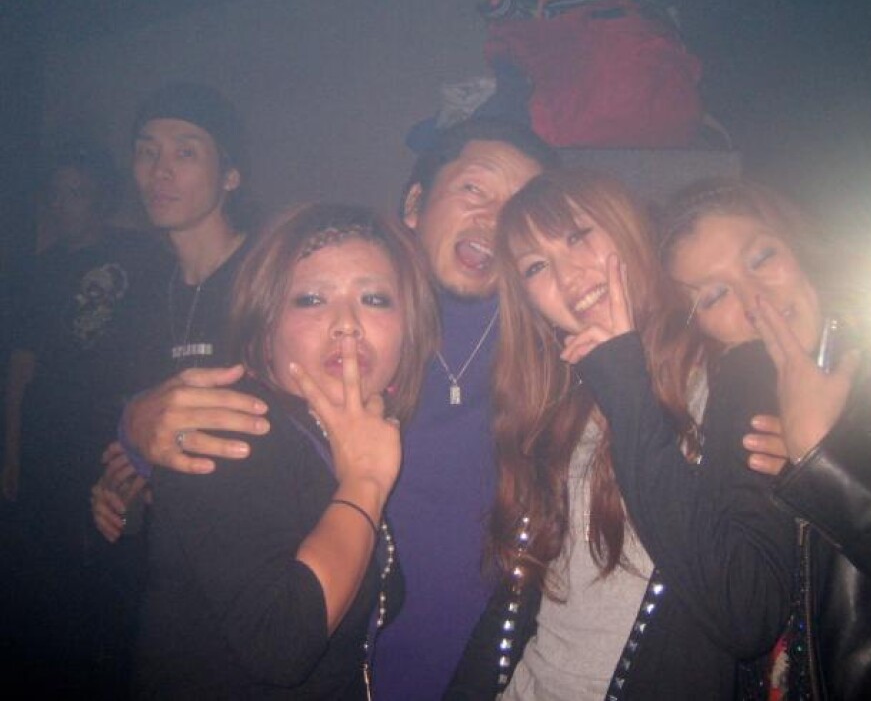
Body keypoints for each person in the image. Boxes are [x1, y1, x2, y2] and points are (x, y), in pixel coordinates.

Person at [93, 118, 558, 699]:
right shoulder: (329, 316)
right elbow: (237, 399)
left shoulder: (548, 352)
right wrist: (139, 429)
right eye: (474, 188)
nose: (495, 218)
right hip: (319, 655)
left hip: (454, 669)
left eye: (521, 206)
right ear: (415, 202)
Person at [446, 168, 797, 700]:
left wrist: (626, 383)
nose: (567, 275)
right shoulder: (558, 400)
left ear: (627, 227)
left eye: (578, 236)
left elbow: (747, 614)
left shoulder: (730, 372)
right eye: (536, 266)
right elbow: (523, 596)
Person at [659, 178, 871, 699]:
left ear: (799, 249)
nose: (754, 300)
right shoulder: (721, 415)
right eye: (714, 295)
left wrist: (824, 460)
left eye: (761, 258)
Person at [134, 202, 437, 697]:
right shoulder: (228, 425)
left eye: (375, 299)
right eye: (312, 299)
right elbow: (282, 639)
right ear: (265, 327)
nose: (347, 323)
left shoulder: (343, 432)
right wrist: (365, 481)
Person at [1, 142, 159, 692]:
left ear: (101, 197)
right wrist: (11, 453)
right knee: (50, 558)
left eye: (79, 192)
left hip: (112, 428)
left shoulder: (139, 253)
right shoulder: (36, 270)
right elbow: (20, 369)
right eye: (58, 193)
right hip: (50, 429)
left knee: (116, 551)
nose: (66, 204)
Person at [90, 81, 255, 542]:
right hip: (171, 559)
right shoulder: (142, 294)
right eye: (147, 152)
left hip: (258, 551)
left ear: (230, 175)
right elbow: (141, 438)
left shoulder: (270, 278)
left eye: (185, 153)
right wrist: (119, 490)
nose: (160, 171)